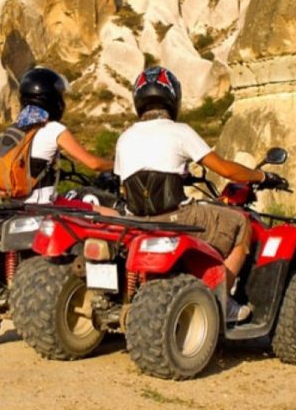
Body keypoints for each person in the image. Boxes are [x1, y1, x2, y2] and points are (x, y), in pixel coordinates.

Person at [113, 66, 285, 322]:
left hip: (138, 221)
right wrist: (262, 176)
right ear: (173, 99)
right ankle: (223, 300)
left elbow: (127, 185)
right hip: (177, 216)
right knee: (241, 224)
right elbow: (227, 170)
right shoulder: (179, 131)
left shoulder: (125, 137)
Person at [14, 67, 114, 204]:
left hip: (17, 205)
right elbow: (93, 164)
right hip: (43, 206)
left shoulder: (15, 129)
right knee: (111, 213)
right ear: (51, 99)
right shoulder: (53, 129)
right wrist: (119, 165)